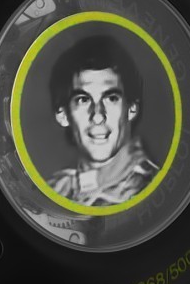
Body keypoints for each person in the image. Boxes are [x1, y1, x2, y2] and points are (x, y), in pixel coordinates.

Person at [47, 33, 158, 207]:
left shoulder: (154, 191)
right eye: (83, 100)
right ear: (63, 115)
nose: (98, 116)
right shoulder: (53, 192)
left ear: (131, 108)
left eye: (111, 98)